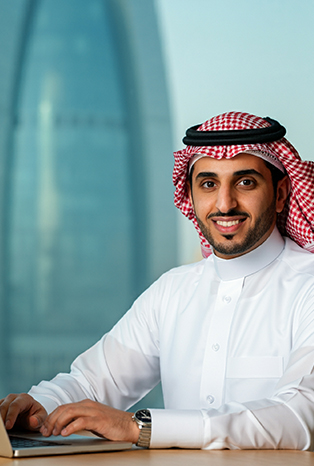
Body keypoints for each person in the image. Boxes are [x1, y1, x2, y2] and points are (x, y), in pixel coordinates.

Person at [1, 111, 314, 450]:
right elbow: (93, 382)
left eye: (245, 182)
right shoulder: (174, 290)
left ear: (282, 193)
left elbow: (300, 415)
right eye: (208, 184)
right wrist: (40, 406)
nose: (225, 204)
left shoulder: (307, 287)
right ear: (190, 195)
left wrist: (141, 427)